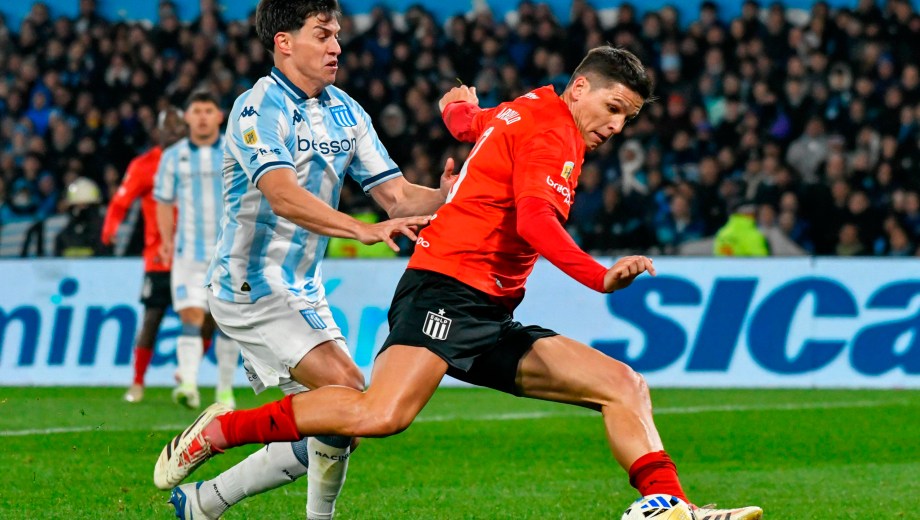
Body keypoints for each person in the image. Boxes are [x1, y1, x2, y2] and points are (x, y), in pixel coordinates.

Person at [155, 46, 763, 520]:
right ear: (581, 89)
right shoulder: (555, 136)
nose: (616, 127)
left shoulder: (531, 107)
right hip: (445, 289)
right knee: (380, 414)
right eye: (612, 109)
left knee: (621, 385)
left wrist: (456, 109)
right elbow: (536, 222)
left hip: (489, 311)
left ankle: (662, 503)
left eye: (626, 119)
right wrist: (598, 276)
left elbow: (472, 122)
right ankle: (220, 430)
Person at [154, 2, 455, 519]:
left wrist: (450, 194)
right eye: (322, 35)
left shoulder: (346, 110)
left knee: (342, 420)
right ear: (284, 42)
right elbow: (282, 195)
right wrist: (362, 230)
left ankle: (203, 504)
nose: (336, 46)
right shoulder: (256, 109)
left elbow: (399, 197)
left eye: (337, 34)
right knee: (349, 392)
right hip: (249, 285)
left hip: (301, 288)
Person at [101, 107, 208, 403]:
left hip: (197, 255)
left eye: (179, 128)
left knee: (209, 317)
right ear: (158, 132)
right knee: (152, 319)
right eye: (169, 128)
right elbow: (121, 201)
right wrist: (110, 227)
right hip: (160, 258)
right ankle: (137, 382)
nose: (174, 133)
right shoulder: (145, 165)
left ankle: (187, 369)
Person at [153, 90, 240, 409]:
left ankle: (224, 391)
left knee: (225, 322)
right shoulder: (173, 156)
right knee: (189, 315)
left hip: (229, 254)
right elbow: (163, 202)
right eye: (197, 111)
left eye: (208, 110)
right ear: (187, 117)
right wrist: (165, 240)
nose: (202, 116)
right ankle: (189, 383)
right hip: (188, 254)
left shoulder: (235, 152)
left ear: (220, 116)